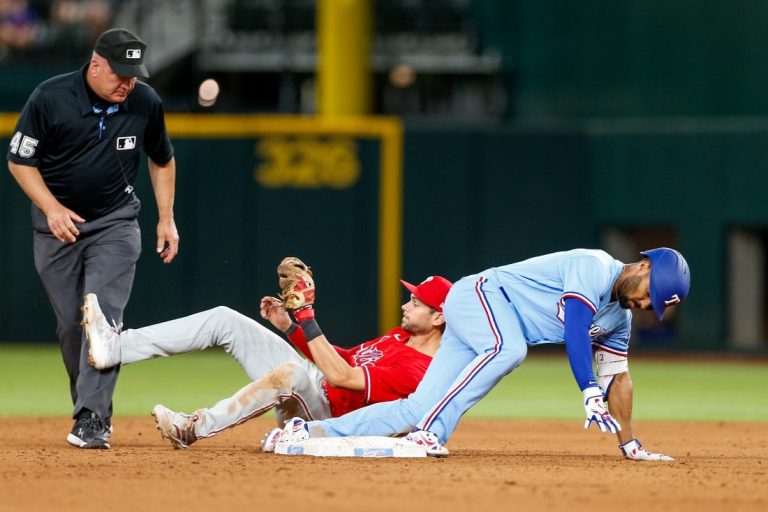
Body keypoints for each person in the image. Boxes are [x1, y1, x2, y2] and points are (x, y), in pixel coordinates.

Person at [273, 247, 690, 461]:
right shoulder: (595, 266)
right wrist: (586, 388)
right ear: (642, 268)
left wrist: (628, 442)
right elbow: (576, 326)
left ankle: (303, 433)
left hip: (488, 321)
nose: (644, 306)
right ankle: (432, 434)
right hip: (480, 296)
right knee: (508, 350)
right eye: (648, 296)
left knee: (413, 408)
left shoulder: (620, 318)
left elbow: (618, 377)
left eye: (653, 306)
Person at [6, 27, 179, 449]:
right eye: (120, 73)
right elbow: (19, 161)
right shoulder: (50, 97)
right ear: (96, 65)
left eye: (135, 74)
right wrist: (51, 207)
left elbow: (162, 158)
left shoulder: (144, 102)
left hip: (116, 223)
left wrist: (166, 218)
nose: (128, 82)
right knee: (71, 327)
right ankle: (88, 406)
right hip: (57, 227)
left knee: (101, 319)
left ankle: (92, 417)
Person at [81, 273, 452, 449]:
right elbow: (338, 359)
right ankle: (114, 347)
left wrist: (307, 315)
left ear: (438, 318)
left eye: (417, 302)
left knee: (290, 373)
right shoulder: (399, 336)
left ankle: (193, 427)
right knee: (224, 318)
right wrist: (290, 327)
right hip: (317, 386)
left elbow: (340, 377)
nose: (407, 304)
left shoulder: (419, 369)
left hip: (326, 419)